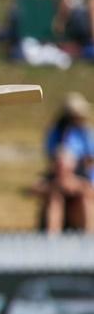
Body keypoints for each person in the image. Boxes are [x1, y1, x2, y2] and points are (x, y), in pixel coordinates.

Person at [33, 92, 94, 233]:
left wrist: (75, 179)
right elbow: (52, 158)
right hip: (60, 176)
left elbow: (90, 160)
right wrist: (63, 178)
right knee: (55, 199)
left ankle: (89, 240)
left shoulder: (86, 133)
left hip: (82, 176)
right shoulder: (56, 132)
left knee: (84, 200)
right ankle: (52, 243)